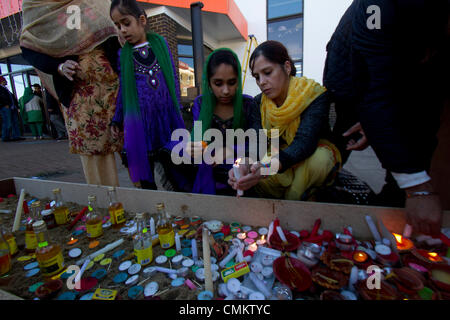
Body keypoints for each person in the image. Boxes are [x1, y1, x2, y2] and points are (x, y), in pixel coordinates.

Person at [323, 0, 449, 236]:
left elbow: (426, 113)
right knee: (340, 145)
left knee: (411, 141)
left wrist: (414, 183)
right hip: (350, 81)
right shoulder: (377, 8)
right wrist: (418, 188)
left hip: (407, 80)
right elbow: (374, 87)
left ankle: (396, 208)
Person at [20, 0, 123, 186]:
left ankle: (146, 204)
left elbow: (117, 33)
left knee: (131, 143)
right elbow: (29, 46)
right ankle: (106, 205)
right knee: (93, 149)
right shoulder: (37, 5)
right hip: (79, 93)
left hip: (115, 87)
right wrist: (58, 66)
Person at [228, 41, 341, 201]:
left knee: (319, 161)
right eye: (257, 77)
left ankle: (295, 199)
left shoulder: (313, 95)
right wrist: (243, 165)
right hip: (279, 158)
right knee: (256, 169)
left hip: (309, 155)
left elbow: (304, 143)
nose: (262, 82)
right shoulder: (258, 103)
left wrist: (268, 167)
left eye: (267, 72)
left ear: (287, 67)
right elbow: (257, 143)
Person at [109, 0, 185, 190]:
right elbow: (124, 92)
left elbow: (173, 78)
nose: (122, 30)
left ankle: (182, 208)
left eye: (126, 23)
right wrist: (117, 120)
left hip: (166, 121)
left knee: (175, 170)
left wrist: (177, 110)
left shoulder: (160, 44)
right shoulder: (123, 55)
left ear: (141, 20)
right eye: (118, 26)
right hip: (141, 126)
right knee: (146, 179)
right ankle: (153, 212)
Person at [183, 48, 257, 195]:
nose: (225, 91)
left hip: (242, 176)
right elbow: (197, 137)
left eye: (231, 82)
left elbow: (256, 144)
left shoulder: (248, 104)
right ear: (209, 83)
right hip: (209, 177)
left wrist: (228, 150)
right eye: (218, 83)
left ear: (238, 81)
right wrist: (194, 147)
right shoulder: (201, 103)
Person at [0, 76, 23, 142]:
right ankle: (5, 137)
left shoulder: (5, 89)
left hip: (12, 107)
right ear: (2, 81)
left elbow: (11, 98)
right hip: (6, 108)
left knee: (14, 122)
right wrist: (5, 105)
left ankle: (16, 136)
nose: (6, 81)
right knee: (7, 122)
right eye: (4, 80)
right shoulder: (1, 89)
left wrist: (16, 106)